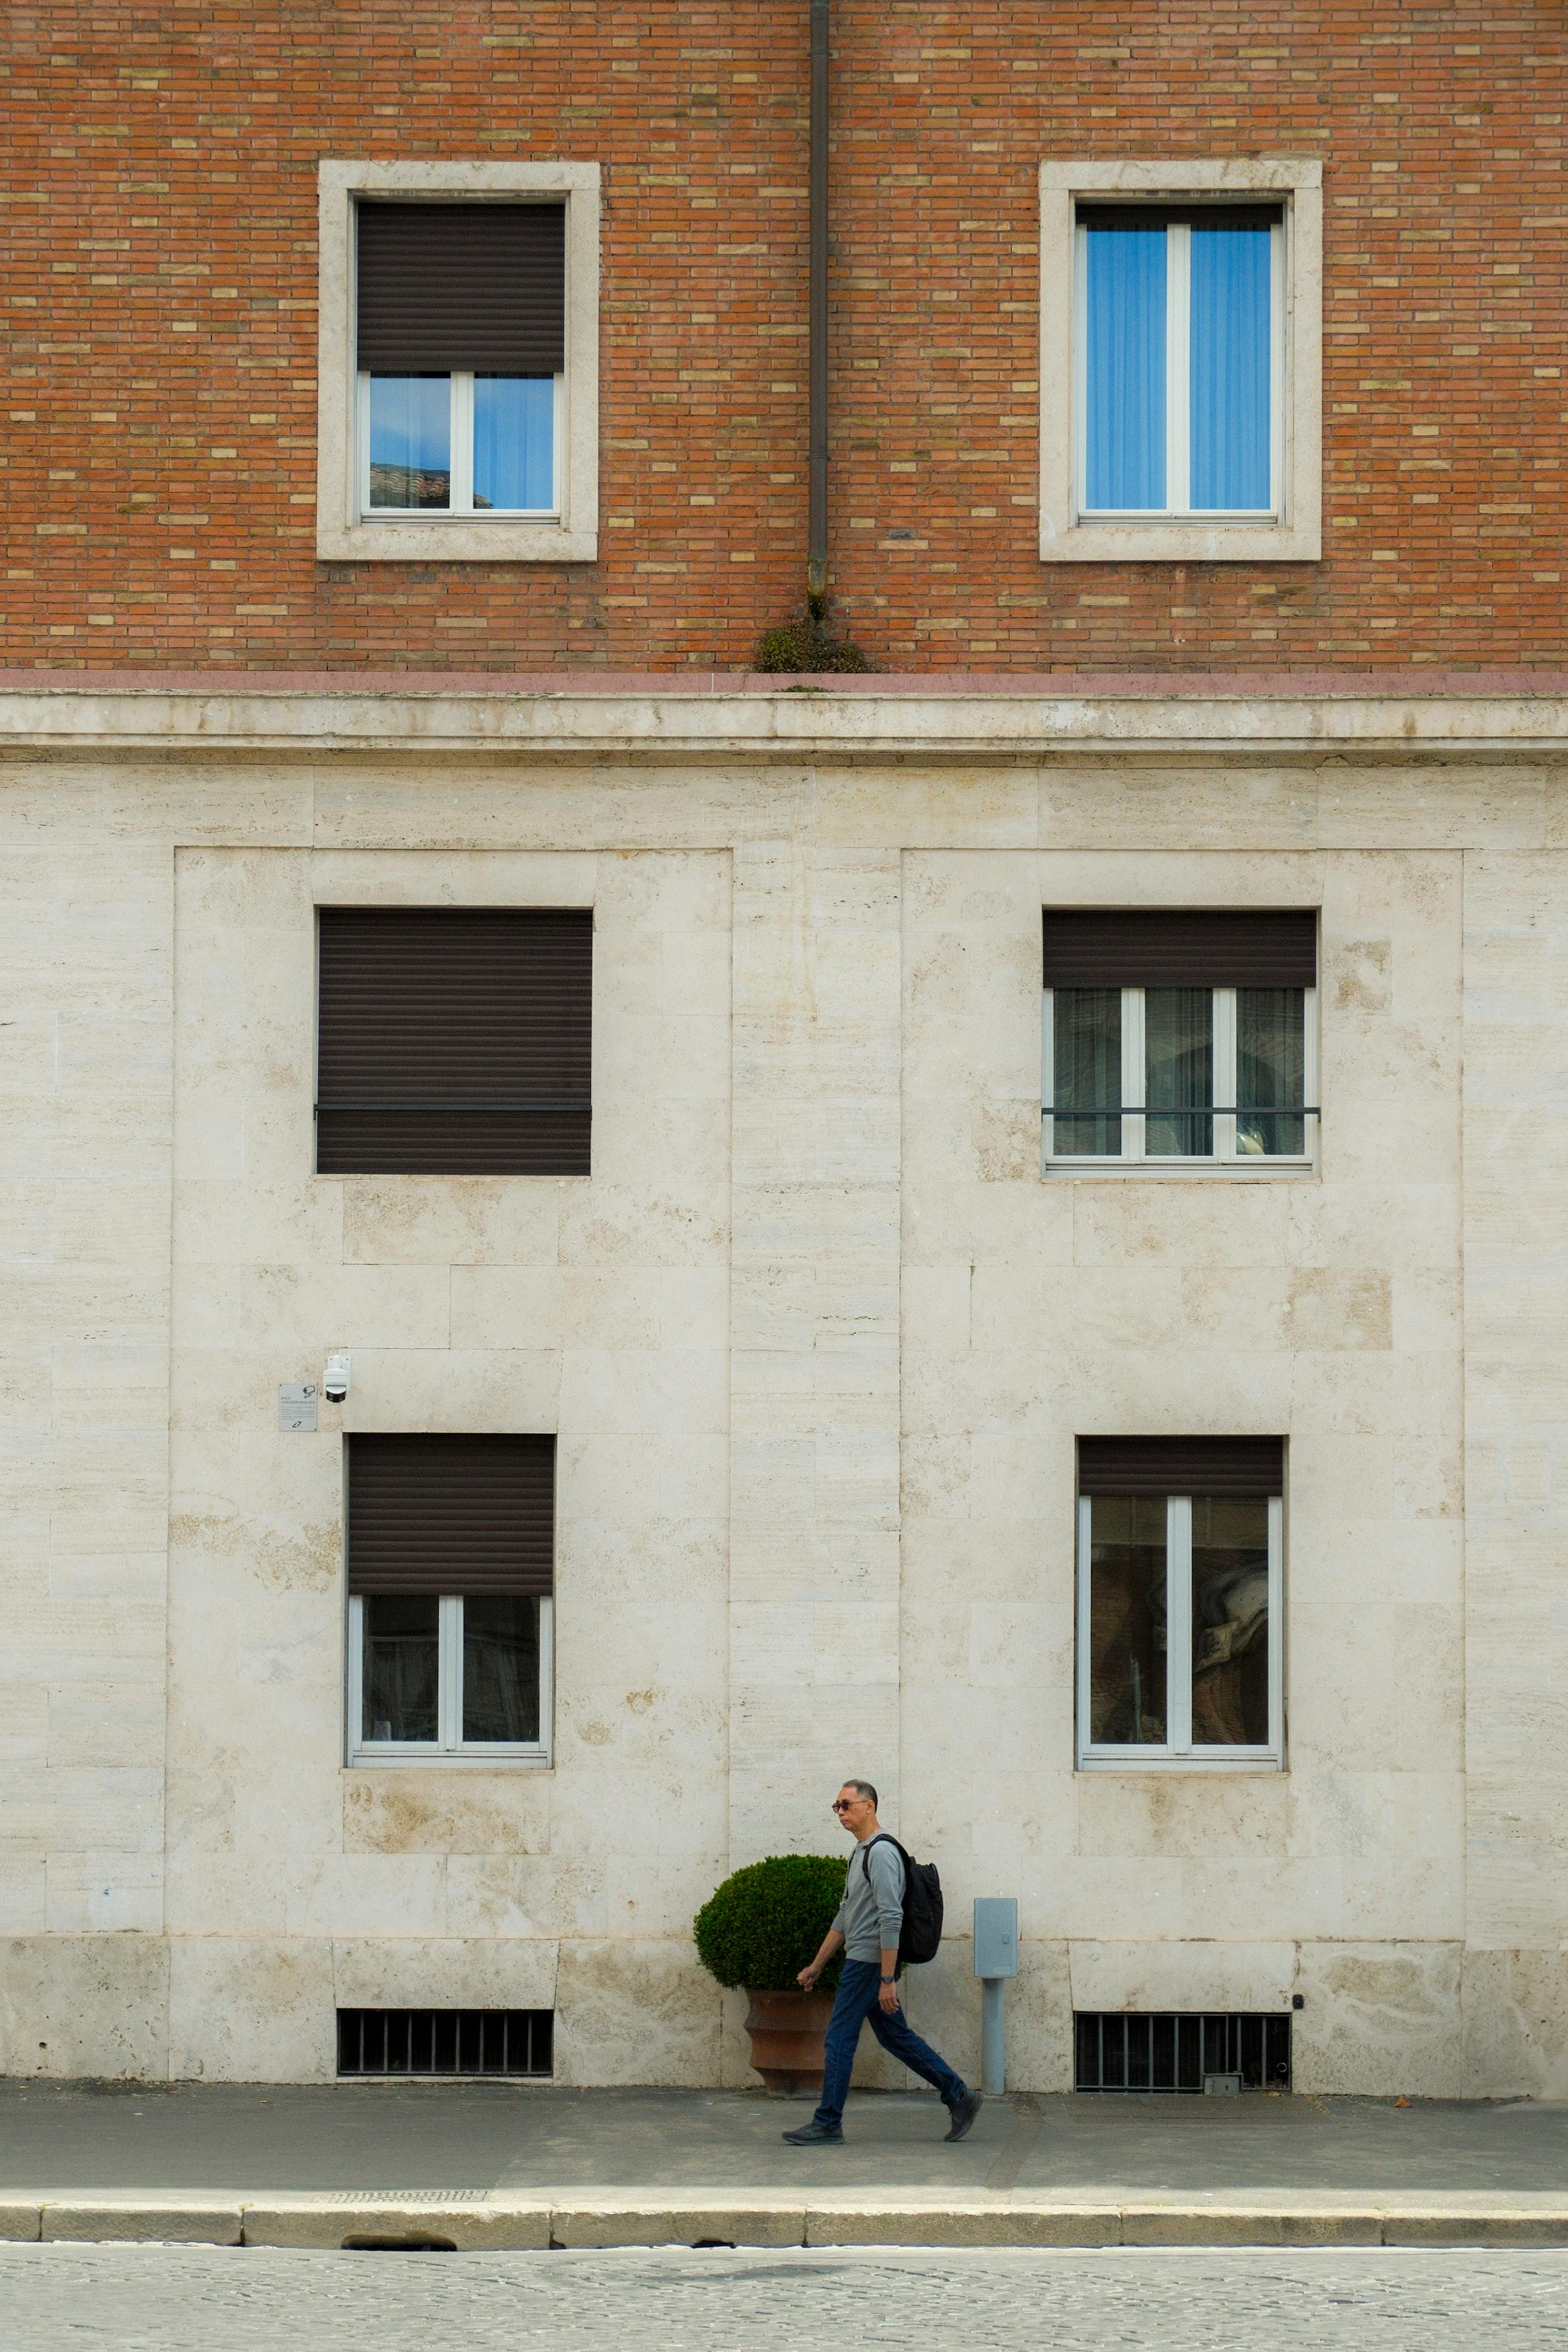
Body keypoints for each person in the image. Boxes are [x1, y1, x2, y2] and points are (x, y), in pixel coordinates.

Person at [781, 1778, 982, 2146]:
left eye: (846, 1804)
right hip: (864, 1961)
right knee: (896, 2037)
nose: (840, 1812)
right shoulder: (861, 1852)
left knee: (838, 2039)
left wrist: (888, 1978)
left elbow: (892, 1918)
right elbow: (847, 1915)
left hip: (870, 1964)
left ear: (869, 1806)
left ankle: (827, 2123)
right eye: (836, 1807)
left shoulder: (882, 1853)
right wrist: (817, 1965)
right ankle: (959, 2095)